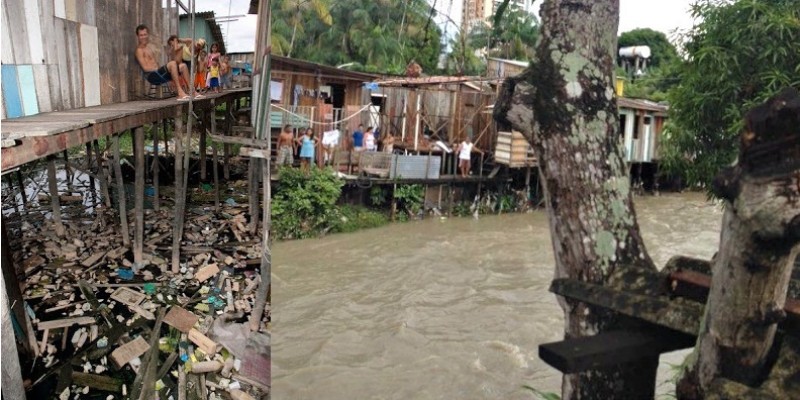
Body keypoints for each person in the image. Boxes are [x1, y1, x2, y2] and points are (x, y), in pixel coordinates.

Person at [135, 25, 191, 101]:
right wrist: (160, 68)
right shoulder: (139, 50)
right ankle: (180, 92)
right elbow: (145, 68)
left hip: (159, 74)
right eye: (141, 35)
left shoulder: (149, 48)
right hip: (152, 76)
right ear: (138, 36)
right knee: (172, 63)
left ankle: (192, 91)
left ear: (147, 35)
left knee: (183, 66)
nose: (143, 37)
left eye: (145, 34)